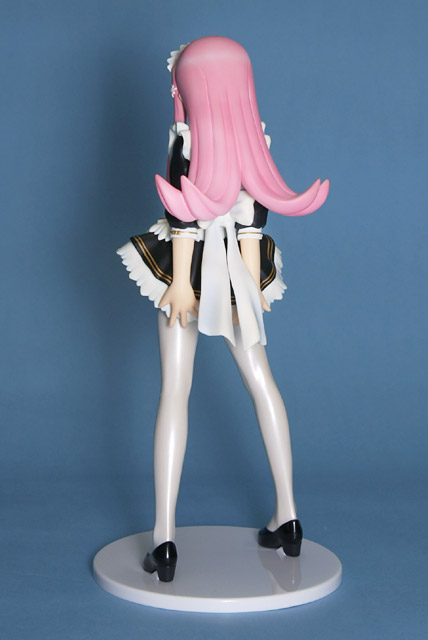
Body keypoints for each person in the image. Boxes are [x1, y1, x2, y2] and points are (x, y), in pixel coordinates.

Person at [117, 36, 329, 582]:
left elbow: (185, 222)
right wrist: (250, 288)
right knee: (261, 381)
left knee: (175, 391)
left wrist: (182, 287)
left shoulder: (188, 142)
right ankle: (289, 515)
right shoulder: (253, 143)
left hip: (189, 270)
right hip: (236, 271)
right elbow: (253, 224)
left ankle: (165, 538)